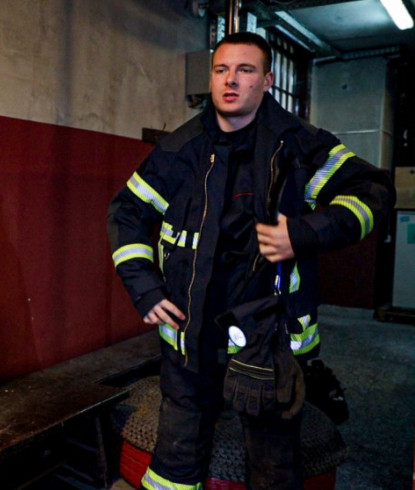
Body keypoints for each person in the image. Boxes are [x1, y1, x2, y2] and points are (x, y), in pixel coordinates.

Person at [107, 32, 394, 489]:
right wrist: (145, 287)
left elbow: (371, 192)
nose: (231, 81)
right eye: (222, 70)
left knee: (273, 454)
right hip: (189, 326)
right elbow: (128, 212)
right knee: (176, 451)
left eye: (245, 70)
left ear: (267, 80)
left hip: (270, 330)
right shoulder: (180, 150)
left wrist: (302, 234)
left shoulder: (299, 145)